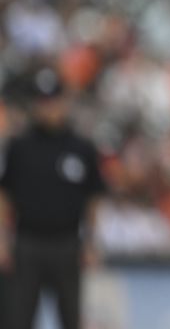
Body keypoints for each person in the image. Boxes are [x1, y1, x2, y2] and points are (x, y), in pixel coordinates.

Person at [0, 68, 106, 329]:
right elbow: (5, 195)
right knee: (17, 318)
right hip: (27, 242)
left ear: (64, 101)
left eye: (53, 100)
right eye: (42, 101)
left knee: (70, 317)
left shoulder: (81, 148)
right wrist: (3, 239)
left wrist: (91, 240)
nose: (48, 108)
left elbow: (93, 197)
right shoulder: (19, 147)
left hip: (67, 242)